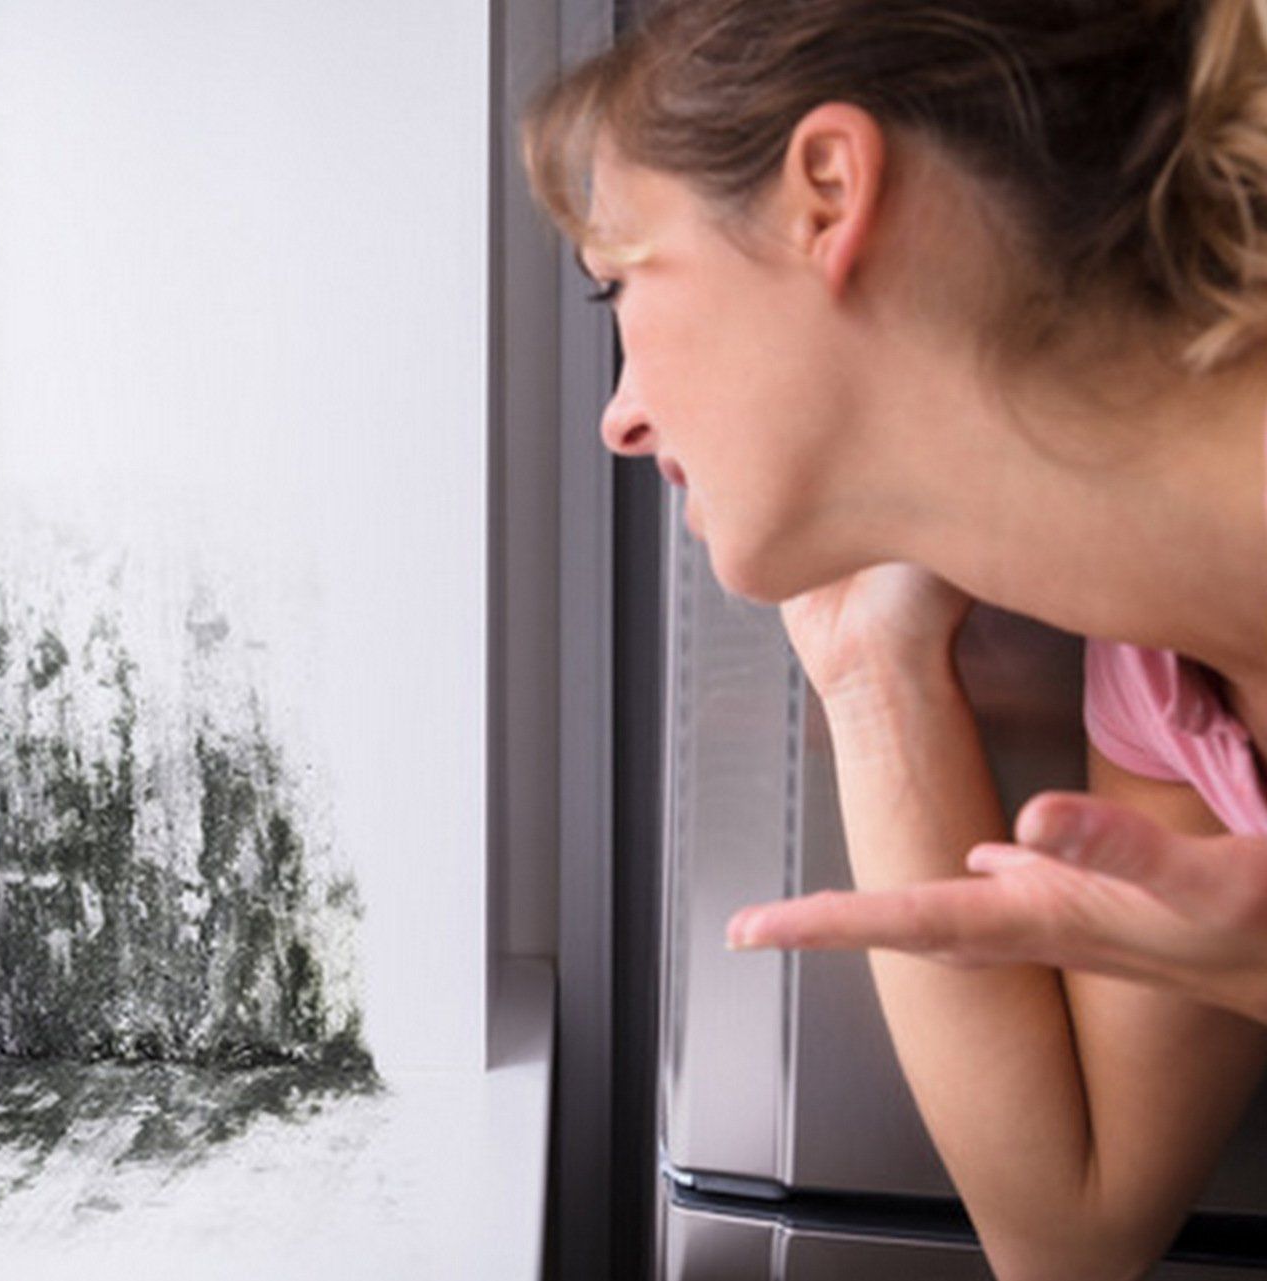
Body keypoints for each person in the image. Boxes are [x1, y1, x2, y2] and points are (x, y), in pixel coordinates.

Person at [523, 2, 1267, 1279]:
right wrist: (873, 676)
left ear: (827, 190)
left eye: (623, 280)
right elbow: (1071, 1234)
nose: (622, 420)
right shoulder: (1164, 668)